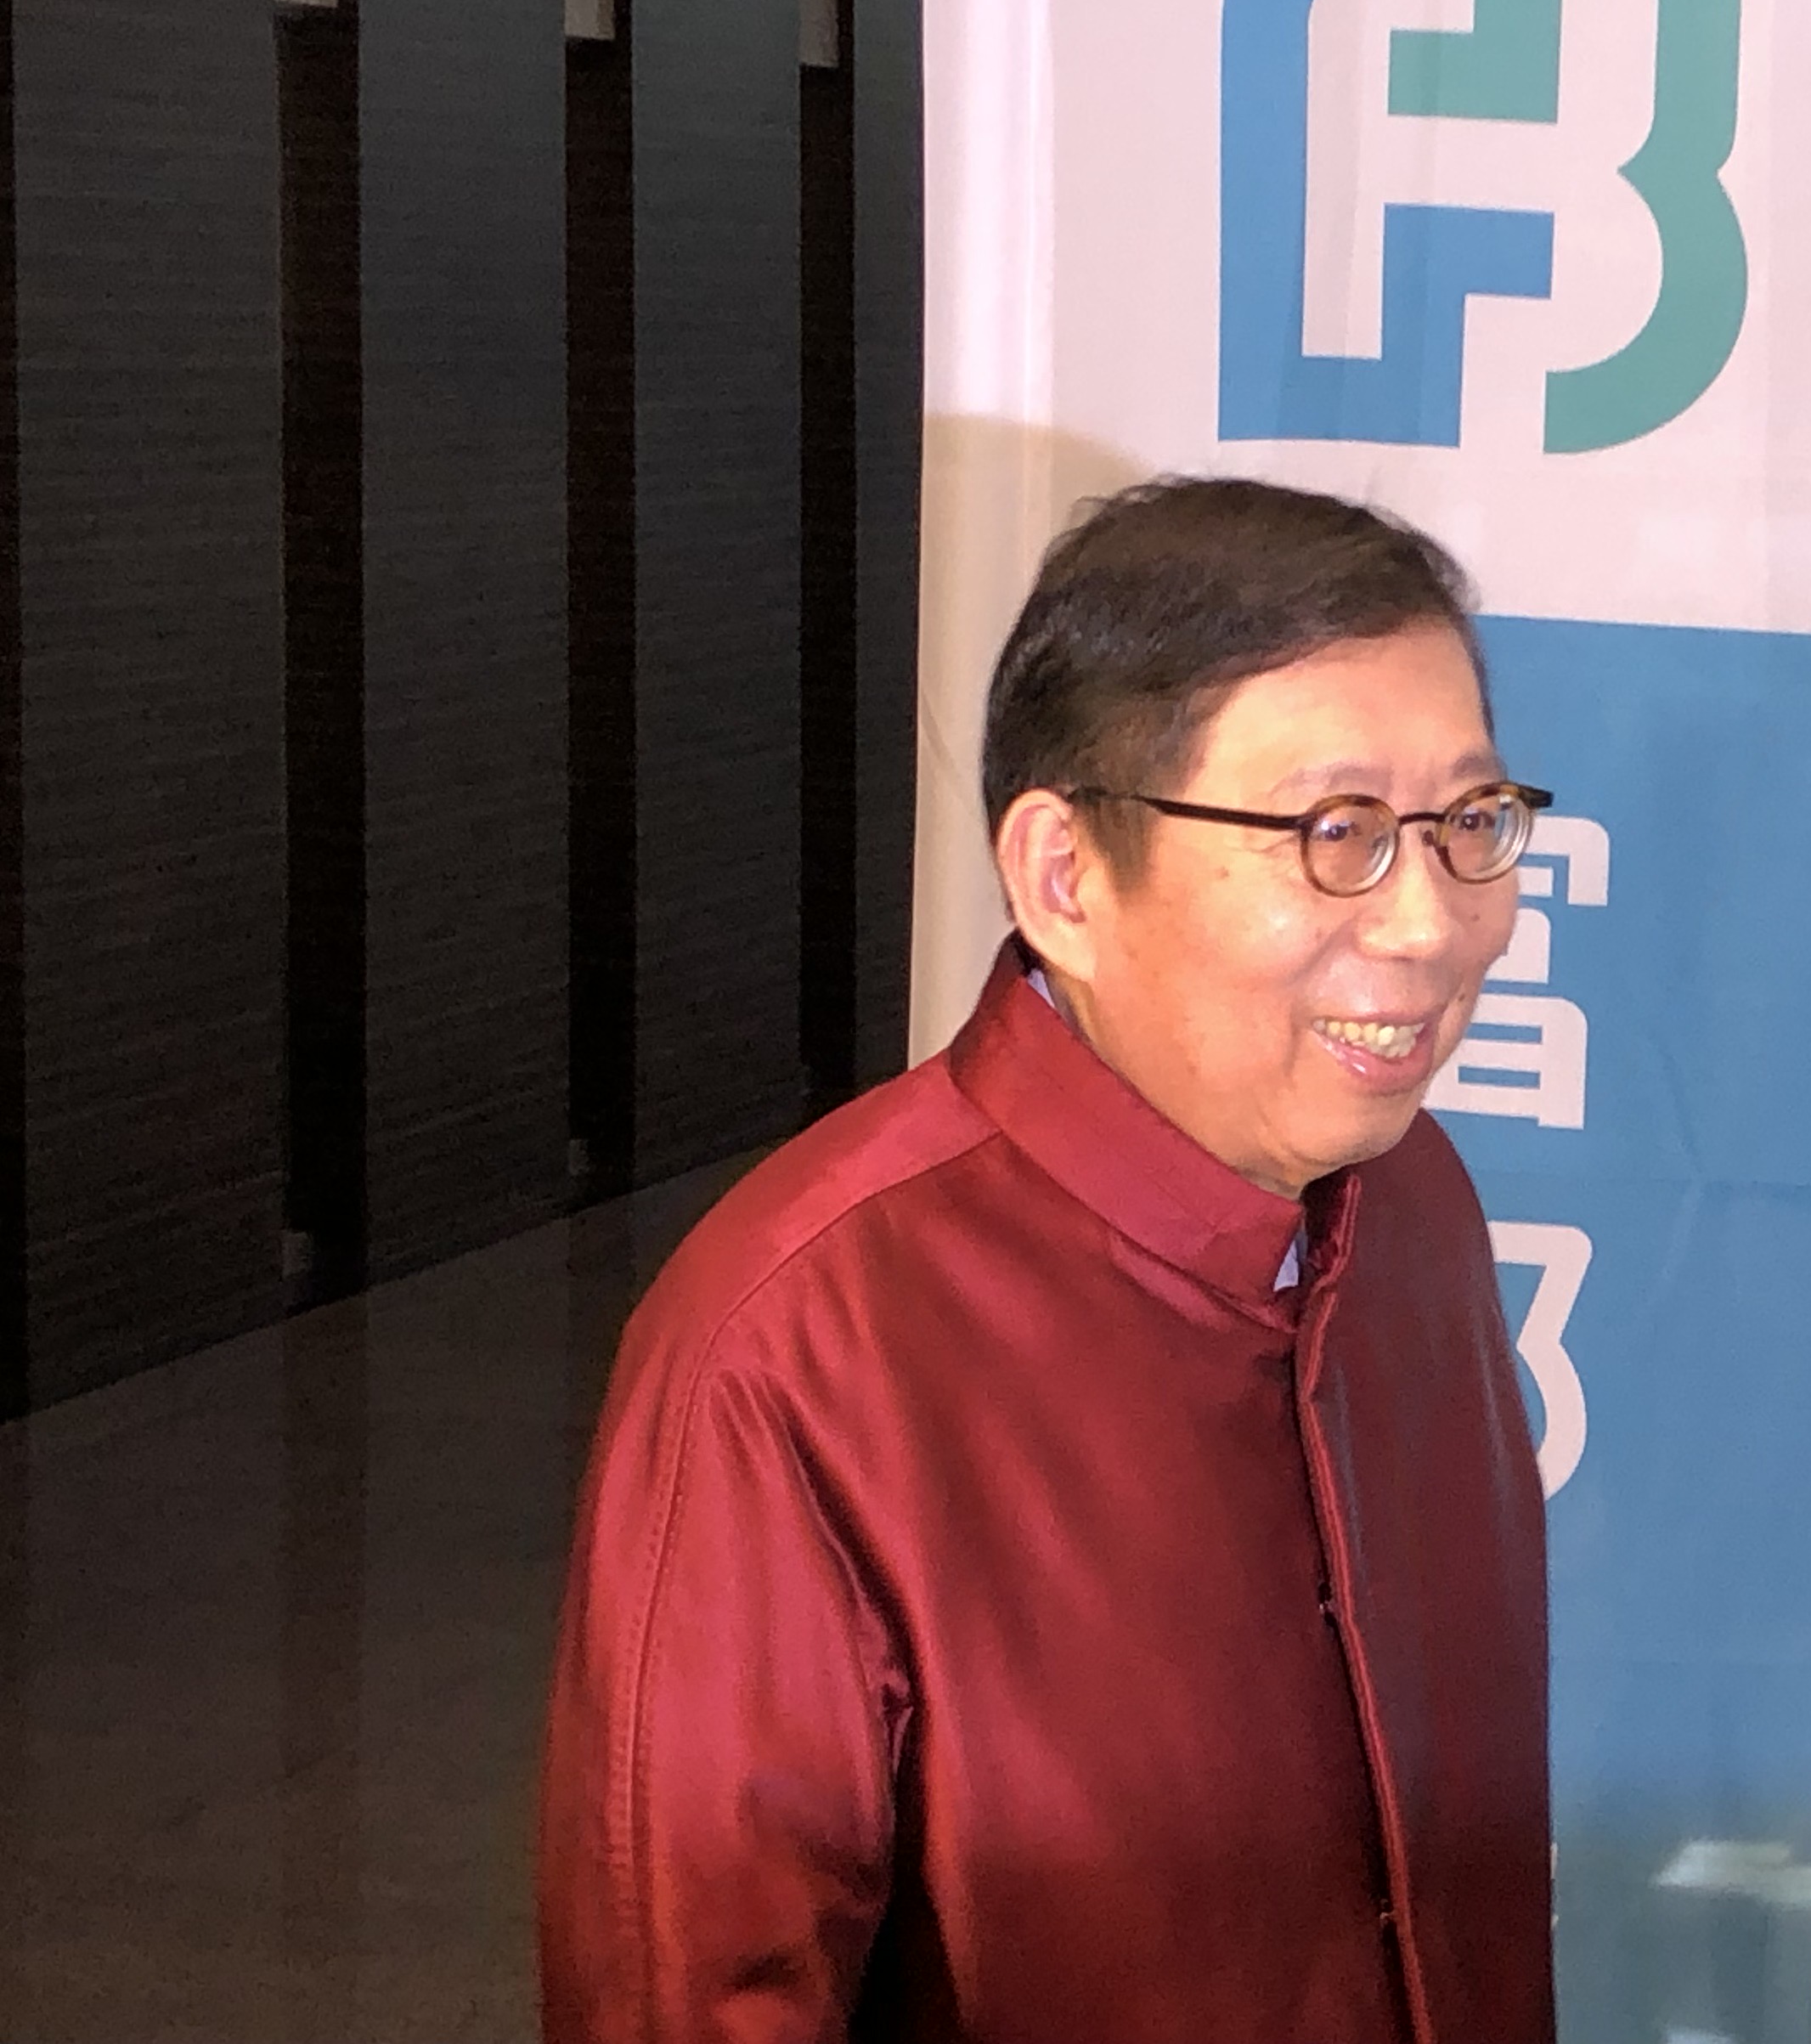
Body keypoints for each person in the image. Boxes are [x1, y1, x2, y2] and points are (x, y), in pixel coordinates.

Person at [540, 477, 1559, 2044]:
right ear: (1066, 878)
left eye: (1471, 824)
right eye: (1338, 834)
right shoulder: (795, 1351)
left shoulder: (1416, 1207)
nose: (1434, 924)